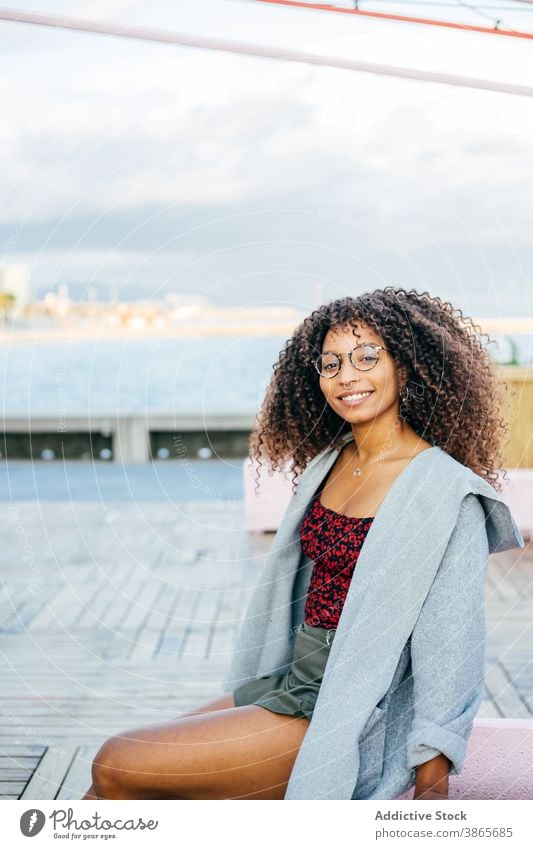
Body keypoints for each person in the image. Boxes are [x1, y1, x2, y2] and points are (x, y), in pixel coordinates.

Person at [82, 287, 523, 801]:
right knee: (121, 780)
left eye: (367, 357)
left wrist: (431, 782)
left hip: (352, 708)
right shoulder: (328, 464)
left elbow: (452, 642)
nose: (347, 376)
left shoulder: (446, 492)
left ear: (407, 366)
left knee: (114, 762)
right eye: (331, 363)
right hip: (293, 680)